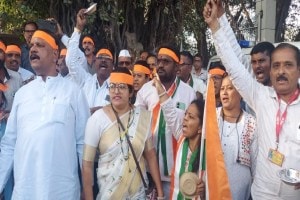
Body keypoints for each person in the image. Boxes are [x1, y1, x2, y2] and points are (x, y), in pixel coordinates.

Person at [204, 0, 300, 199]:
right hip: (262, 194)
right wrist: (216, 26)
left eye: (288, 65)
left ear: (298, 70)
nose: (281, 71)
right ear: (271, 70)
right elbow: (234, 63)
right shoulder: (260, 96)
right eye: (277, 66)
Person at [0, 29, 90, 199]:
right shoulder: (22, 94)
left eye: (40, 45)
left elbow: (83, 146)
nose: (33, 49)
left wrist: (87, 188)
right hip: (25, 190)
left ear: (55, 54)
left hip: (62, 190)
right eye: (32, 45)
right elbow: (9, 145)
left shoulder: (74, 92)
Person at [82, 67, 164, 199]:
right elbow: (87, 164)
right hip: (108, 193)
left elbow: (150, 155)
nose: (116, 91)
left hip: (138, 194)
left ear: (131, 92)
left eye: (122, 87)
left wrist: (160, 192)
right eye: (112, 86)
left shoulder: (142, 117)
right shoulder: (97, 119)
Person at [135, 45, 196, 199]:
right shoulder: (146, 90)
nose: (160, 65)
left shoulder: (188, 93)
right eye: (158, 61)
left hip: (177, 171)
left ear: (177, 67)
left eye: (166, 61)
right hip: (148, 172)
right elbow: (137, 126)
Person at [64, 9, 114, 114]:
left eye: (107, 58)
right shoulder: (85, 80)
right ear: (95, 62)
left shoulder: (116, 87)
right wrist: (78, 28)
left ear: (113, 66)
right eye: (100, 57)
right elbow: (70, 61)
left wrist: (100, 111)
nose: (104, 60)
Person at [217, 74, 257, 200]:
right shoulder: (211, 117)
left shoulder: (251, 122)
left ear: (240, 92)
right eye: (222, 88)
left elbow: (256, 164)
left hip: (239, 193)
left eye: (229, 88)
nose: (224, 92)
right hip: (212, 188)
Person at [170, 99, 206, 199]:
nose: (185, 118)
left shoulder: (208, 154)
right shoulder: (181, 140)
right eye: (185, 114)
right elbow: (169, 112)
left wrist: (203, 194)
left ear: (201, 127)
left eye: (191, 117)